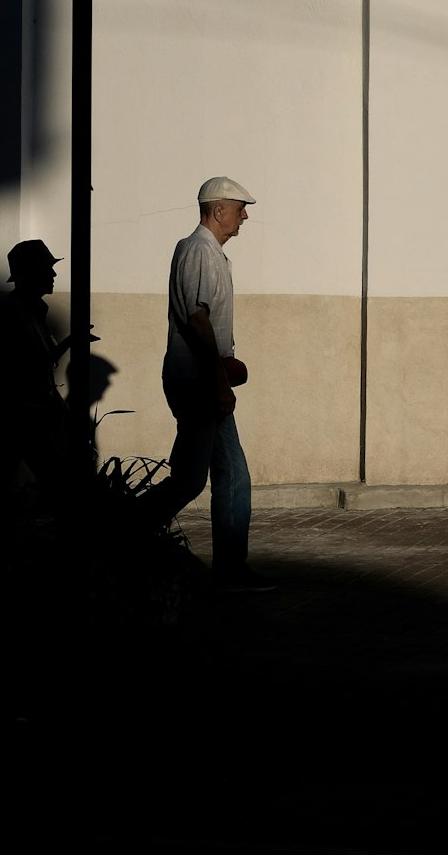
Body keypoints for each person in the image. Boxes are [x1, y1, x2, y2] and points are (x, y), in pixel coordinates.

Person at [141, 176, 273, 591]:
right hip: (198, 382)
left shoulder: (207, 252)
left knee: (221, 475)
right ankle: (122, 530)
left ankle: (229, 567)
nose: (244, 216)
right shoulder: (198, 251)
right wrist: (219, 383)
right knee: (198, 478)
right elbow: (198, 323)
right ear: (219, 211)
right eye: (239, 208)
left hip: (203, 380)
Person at [0, 239, 73, 512]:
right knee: (53, 479)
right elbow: (23, 366)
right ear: (29, 274)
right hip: (23, 411)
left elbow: (38, 361)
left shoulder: (29, 311)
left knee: (5, 474)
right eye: (46, 268)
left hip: (25, 412)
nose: (53, 275)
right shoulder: (15, 314)